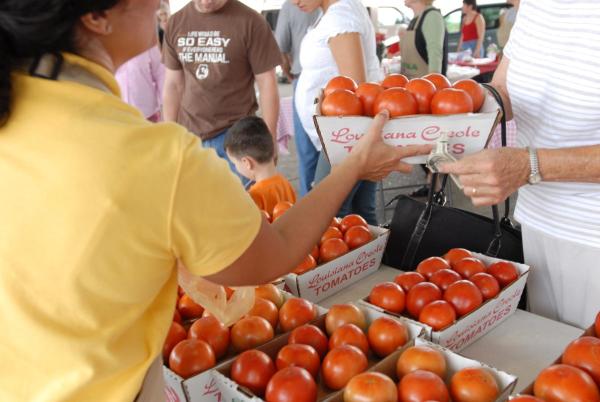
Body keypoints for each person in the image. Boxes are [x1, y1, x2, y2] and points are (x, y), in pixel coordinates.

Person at [0, 1, 433, 400]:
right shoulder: (154, 158)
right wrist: (353, 166)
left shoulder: (16, 108)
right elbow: (275, 252)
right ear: (95, 16)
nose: (160, 4)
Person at [440, 0, 600, 329]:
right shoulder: (536, 6)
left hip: (592, 235)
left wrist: (529, 166)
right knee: (553, 361)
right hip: (539, 224)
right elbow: (502, 90)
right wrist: (447, 110)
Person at [161, 0, 281, 175]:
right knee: (196, 200)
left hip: (237, 138)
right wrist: (169, 133)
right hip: (190, 136)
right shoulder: (176, 22)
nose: (206, 1)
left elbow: (267, 83)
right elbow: (173, 85)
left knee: (241, 201)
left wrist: (269, 138)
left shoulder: (251, 21)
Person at [295, 0, 383, 224]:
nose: (294, 1)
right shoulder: (339, 11)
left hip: (344, 135)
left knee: (329, 215)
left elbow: (356, 91)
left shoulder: (340, 15)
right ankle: (372, 258)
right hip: (347, 133)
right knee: (361, 212)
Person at [275, 1, 320, 196]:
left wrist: (289, 73)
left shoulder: (290, 7)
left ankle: (309, 209)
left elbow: (280, 48)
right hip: (338, 85)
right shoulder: (343, 8)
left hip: (304, 80)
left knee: (308, 154)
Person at [225, 116, 297, 215]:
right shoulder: (284, 183)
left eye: (235, 164)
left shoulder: (254, 197)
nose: (235, 167)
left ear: (247, 163)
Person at [115, 41, 165, 122]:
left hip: (147, 116)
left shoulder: (148, 44)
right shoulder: (108, 45)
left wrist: (164, 108)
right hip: (116, 115)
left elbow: (161, 75)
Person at [401, 0, 448, 79]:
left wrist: (434, 82)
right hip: (411, 85)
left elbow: (435, 53)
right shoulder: (416, 19)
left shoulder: (432, 16)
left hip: (424, 87)